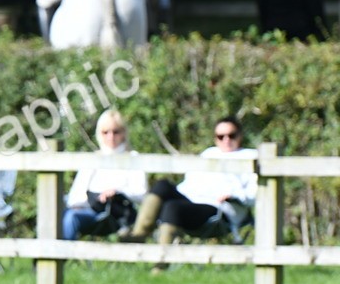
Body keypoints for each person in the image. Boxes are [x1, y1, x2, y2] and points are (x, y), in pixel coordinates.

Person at [122, 116, 258, 269]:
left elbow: (255, 194)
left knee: (173, 207)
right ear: (215, 138)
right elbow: (189, 183)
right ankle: (138, 237)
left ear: (240, 136)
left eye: (231, 135)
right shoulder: (209, 154)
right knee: (162, 185)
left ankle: (160, 264)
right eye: (221, 136)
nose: (226, 140)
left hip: (219, 208)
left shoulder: (250, 157)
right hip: (192, 201)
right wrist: (171, 193)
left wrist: (234, 196)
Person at [62, 109, 147, 240]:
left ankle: (55, 257)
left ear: (123, 133)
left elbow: (141, 195)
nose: (111, 137)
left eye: (115, 131)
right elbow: (74, 198)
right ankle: (47, 256)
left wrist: (117, 192)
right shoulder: (93, 159)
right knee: (56, 214)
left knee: (71, 218)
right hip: (89, 210)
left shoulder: (132, 158)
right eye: (105, 132)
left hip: (114, 215)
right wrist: (96, 199)